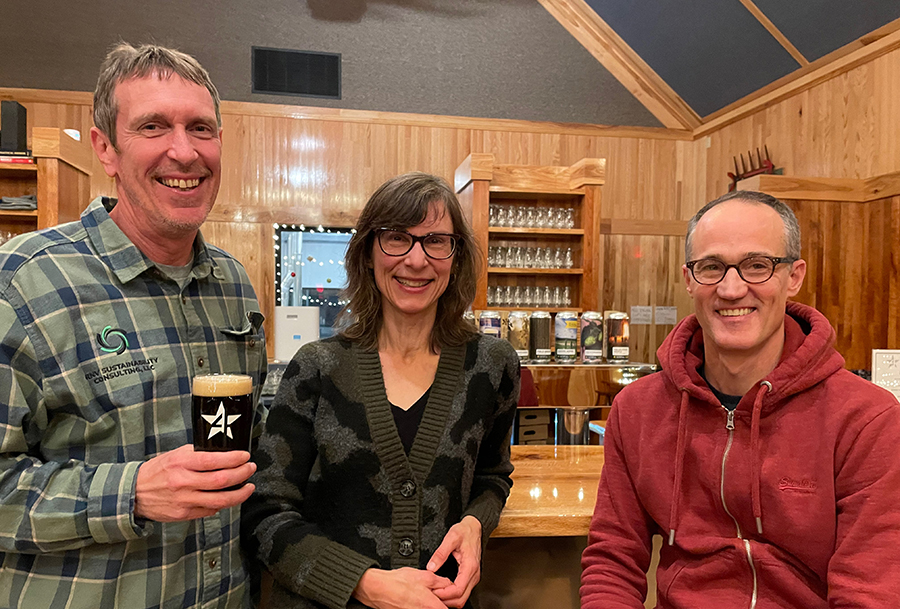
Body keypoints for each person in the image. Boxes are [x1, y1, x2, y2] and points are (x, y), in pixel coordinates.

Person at [0, 43, 267, 608]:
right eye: (153, 126)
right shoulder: (24, 282)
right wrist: (133, 492)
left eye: (201, 128)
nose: (184, 151)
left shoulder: (233, 285)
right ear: (107, 149)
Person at [581, 190, 900, 608]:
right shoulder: (638, 410)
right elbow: (613, 562)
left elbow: (869, 593)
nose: (732, 289)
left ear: (794, 276)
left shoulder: (867, 419)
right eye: (711, 267)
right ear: (689, 279)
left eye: (757, 266)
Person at [242, 172, 520, 609]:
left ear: (456, 256)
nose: (415, 259)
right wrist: (364, 583)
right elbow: (264, 512)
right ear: (368, 253)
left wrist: (474, 523)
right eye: (396, 238)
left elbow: (492, 476)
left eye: (436, 241)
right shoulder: (317, 367)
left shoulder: (492, 365)